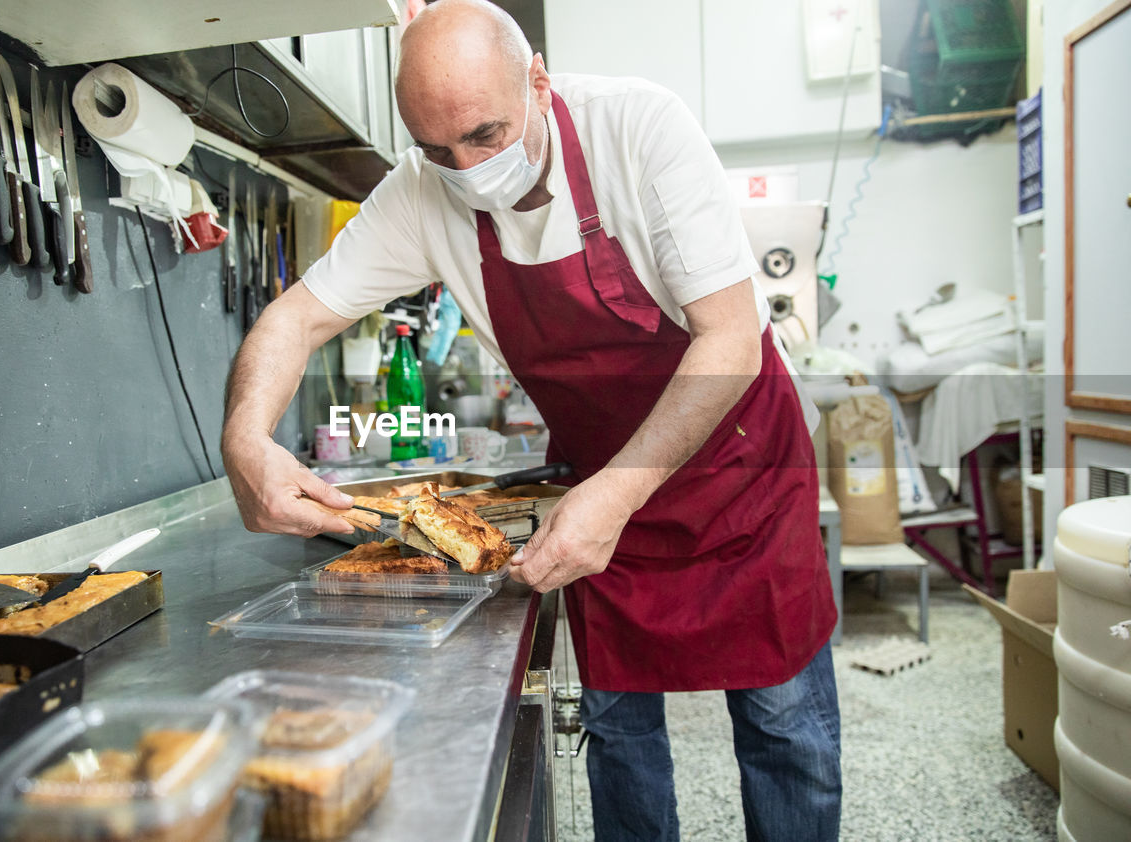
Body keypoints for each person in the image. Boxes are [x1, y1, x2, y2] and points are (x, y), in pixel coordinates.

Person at [221, 1, 841, 839]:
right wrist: (244, 440)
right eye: (436, 150)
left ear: (539, 81)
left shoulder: (641, 128)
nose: (466, 169)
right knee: (620, 729)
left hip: (742, 479)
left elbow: (729, 336)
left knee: (783, 727)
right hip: (602, 501)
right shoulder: (419, 195)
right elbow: (293, 319)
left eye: (485, 135)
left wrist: (615, 495)